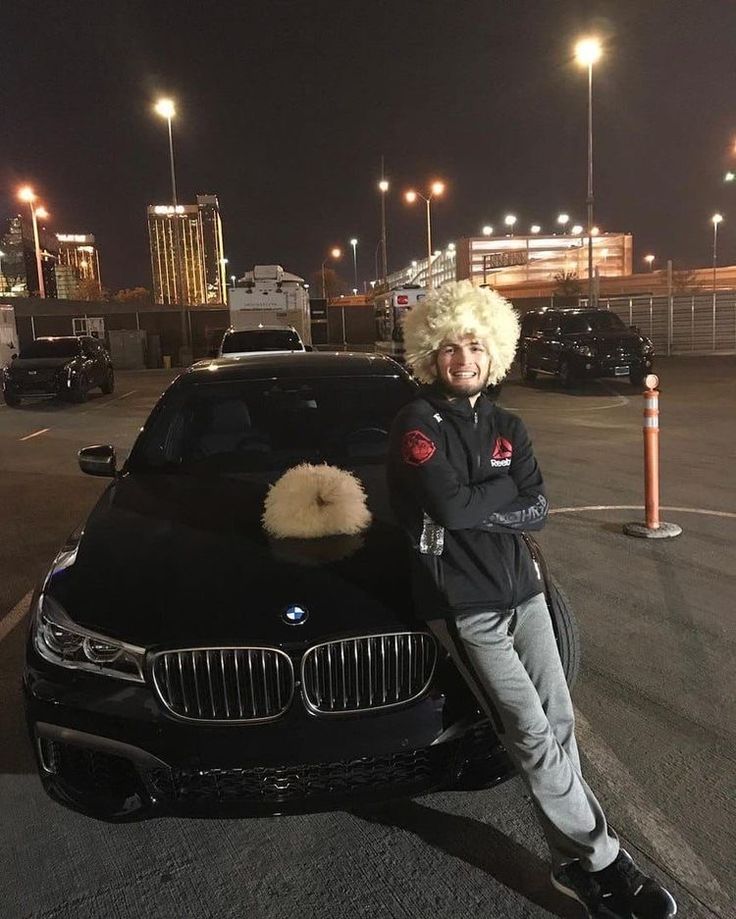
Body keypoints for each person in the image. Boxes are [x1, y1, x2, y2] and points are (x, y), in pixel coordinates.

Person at [386, 281, 677, 919]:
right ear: (431, 353)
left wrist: (479, 501)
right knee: (529, 732)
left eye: (476, 345)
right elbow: (453, 507)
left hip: (525, 591)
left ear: (496, 352)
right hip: (464, 604)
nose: (464, 357)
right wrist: (499, 492)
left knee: (559, 722)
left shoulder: (508, 423)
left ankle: (573, 861)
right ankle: (606, 862)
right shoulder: (416, 424)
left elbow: (537, 509)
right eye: (451, 346)